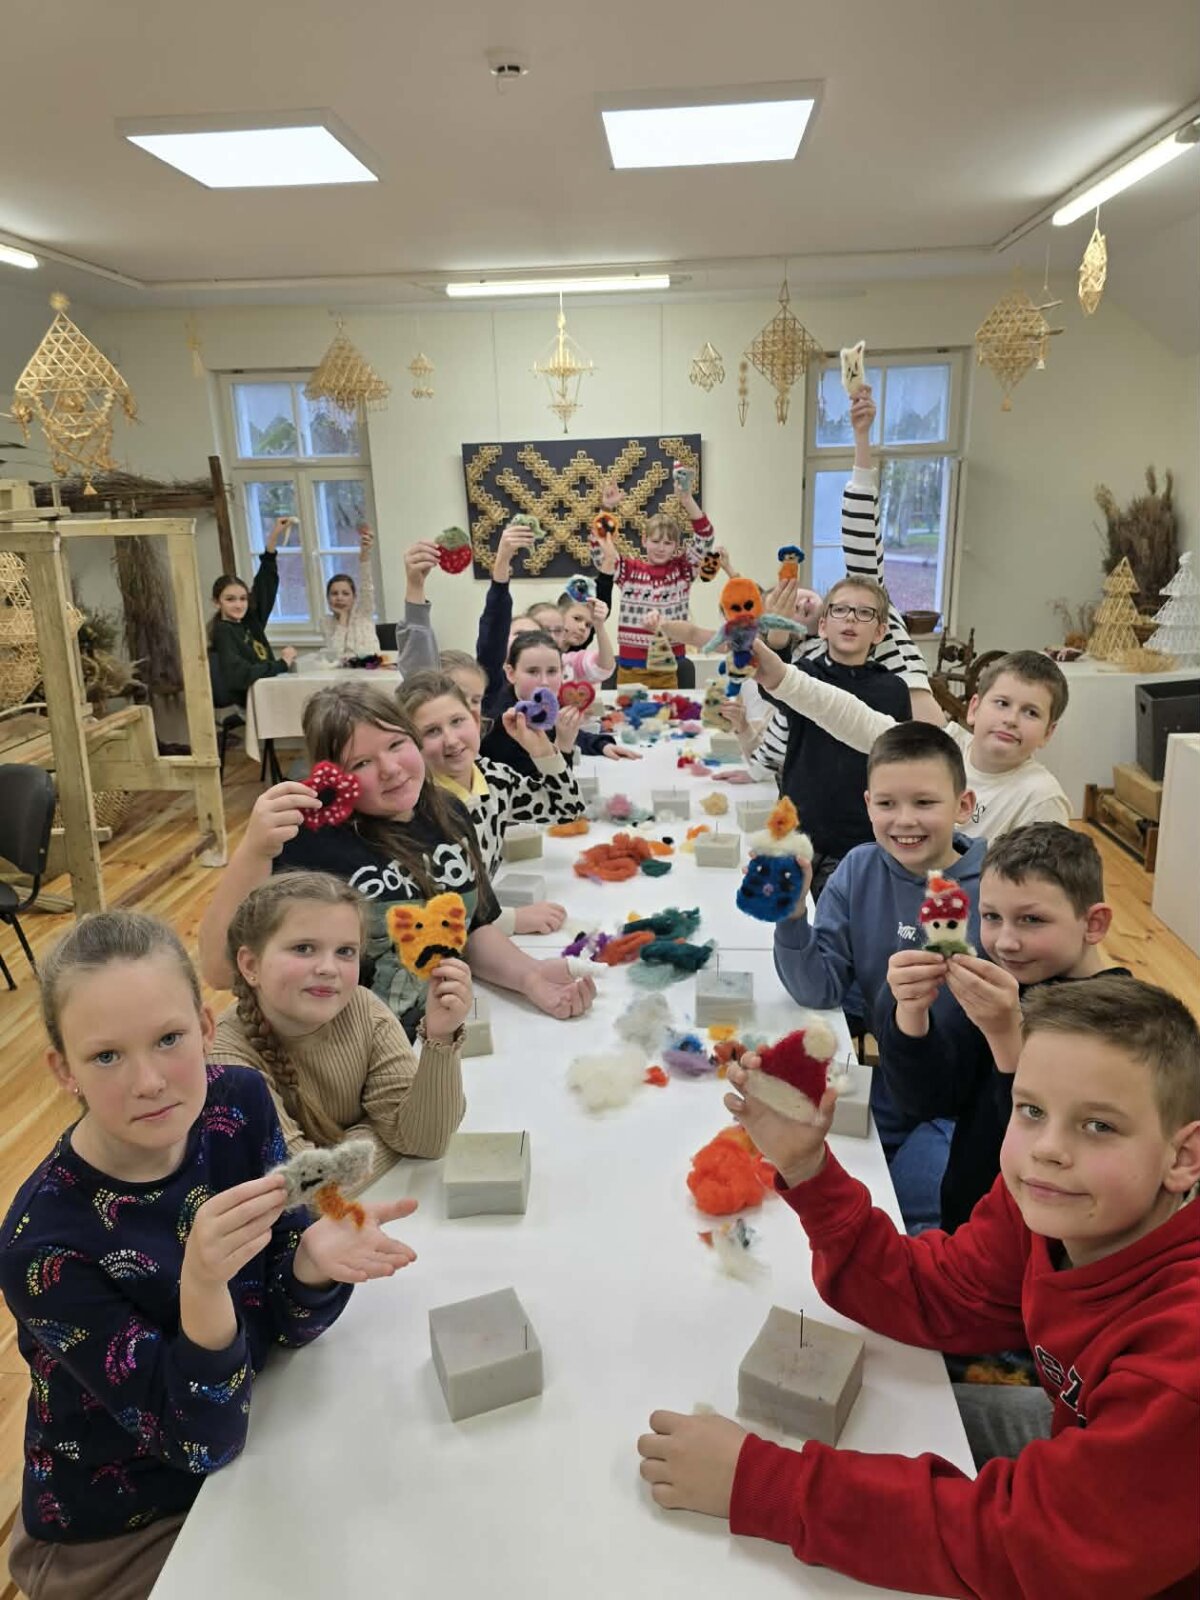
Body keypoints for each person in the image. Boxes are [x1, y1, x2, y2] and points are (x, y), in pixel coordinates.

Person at [638, 974, 1200, 1600]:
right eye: (1032, 1110)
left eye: (1098, 1126)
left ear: (1184, 1157)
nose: (1047, 1149)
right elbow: (937, 1294)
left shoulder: (1180, 1359)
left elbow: (1037, 1547)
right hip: (1096, 1459)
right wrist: (807, 1167)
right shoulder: (1051, 1208)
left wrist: (766, 1485)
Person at [0, 911, 416, 1600]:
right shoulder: (43, 1244)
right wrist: (202, 1287)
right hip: (118, 1534)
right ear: (63, 1069)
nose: (149, 1081)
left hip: (250, 1451)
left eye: (169, 1039)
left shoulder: (237, 1106)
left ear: (203, 1024)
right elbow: (201, 1442)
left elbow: (280, 1326)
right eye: (106, 1056)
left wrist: (310, 1263)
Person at [197, 684, 594, 1034]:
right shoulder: (308, 842)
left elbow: (472, 929)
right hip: (346, 1055)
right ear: (334, 777)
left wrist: (530, 975)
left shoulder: (449, 813)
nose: (390, 769)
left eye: (396, 744)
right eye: (361, 763)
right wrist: (254, 850)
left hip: (436, 1035)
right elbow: (219, 969)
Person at [774, 720, 988, 1231]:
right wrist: (793, 915)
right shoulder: (859, 869)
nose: (904, 820)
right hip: (891, 1084)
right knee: (818, 1182)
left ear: (963, 805)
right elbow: (819, 987)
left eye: (925, 802)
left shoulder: (997, 885)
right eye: (887, 804)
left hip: (965, 1105)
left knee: (916, 1214)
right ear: (868, 805)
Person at [879, 823, 1127, 1230]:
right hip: (965, 1217)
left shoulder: (1119, 1022)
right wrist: (911, 1015)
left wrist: (1005, 1034)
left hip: (1039, 1240)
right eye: (992, 917)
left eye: (1031, 919)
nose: (1006, 941)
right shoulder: (1004, 985)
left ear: (1093, 924)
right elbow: (927, 1100)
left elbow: (1048, 1146)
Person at [212, 870, 468, 1185]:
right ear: (251, 965)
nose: (328, 968)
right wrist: (379, 1134)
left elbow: (427, 1141)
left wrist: (441, 1038)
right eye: (304, 948)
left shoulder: (363, 1009)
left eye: (345, 952)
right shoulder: (226, 1062)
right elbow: (304, 1191)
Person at [755, 639, 1071, 840]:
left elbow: (1041, 894)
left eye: (1031, 712)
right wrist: (782, 678)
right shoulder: (945, 748)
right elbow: (858, 719)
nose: (1011, 719)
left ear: (1048, 732)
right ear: (974, 708)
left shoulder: (1041, 798)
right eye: (1002, 703)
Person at [399, 669, 584, 934]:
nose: (451, 740)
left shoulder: (493, 777)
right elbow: (429, 909)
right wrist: (511, 920)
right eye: (431, 731)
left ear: (475, 720)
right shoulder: (415, 805)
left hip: (484, 925)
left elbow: (566, 809)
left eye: (457, 721)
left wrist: (540, 749)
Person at [594, 470, 716, 689]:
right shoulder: (628, 570)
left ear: (676, 546)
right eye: (656, 541)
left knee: (669, 711)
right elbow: (599, 551)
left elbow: (705, 537)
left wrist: (687, 500)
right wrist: (606, 509)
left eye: (668, 543)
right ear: (644, 541)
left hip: (669, 667)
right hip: (631, 668)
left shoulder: (683, 570)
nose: (661, 548)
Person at [480, 629, 636, 775]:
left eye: (552, 671)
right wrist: (564, 746)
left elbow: (563, 732)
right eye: (532, 671)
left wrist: (601, 745)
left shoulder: (545, 706)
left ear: (562, 672)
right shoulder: (504, 721)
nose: (544, 682)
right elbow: (550, 787)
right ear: (511, 673)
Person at [208, 515, 297, 705]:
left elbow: (265, 585)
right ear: (217, 602)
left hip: (266, 693)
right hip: (250, 703)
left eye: (243, 599)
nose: (238, 605)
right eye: (230, 599)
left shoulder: (249, 620)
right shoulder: (223, 631)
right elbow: (240, 674)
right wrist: (282, 664)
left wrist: (273, 539)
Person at [319, 521, 381, 663]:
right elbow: (334, 656)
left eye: (345, 594)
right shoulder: (326, 622)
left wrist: (364, 555)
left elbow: (367, 585)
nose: (339, 598)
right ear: (328, 598)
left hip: (371, 670)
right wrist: (342, 619)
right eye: (334, 594)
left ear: (354, 597)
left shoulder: (364, 612)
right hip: (342, 672)